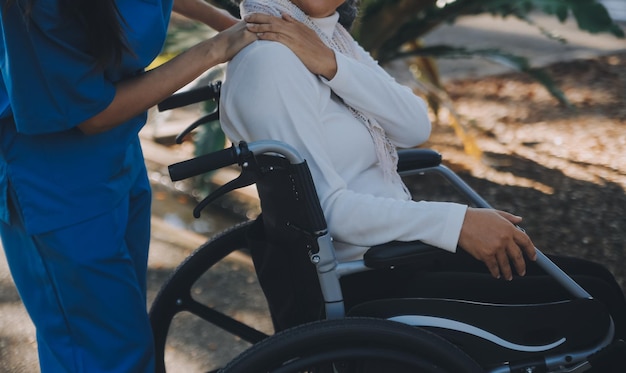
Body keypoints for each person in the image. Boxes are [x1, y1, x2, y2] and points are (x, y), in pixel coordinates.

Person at [221, 0, 626, 338]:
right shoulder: (271, 61)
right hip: (363, 273)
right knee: (594, 302)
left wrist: (332, 63)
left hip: (396, 252)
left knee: (597, 281)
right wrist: (457, 222)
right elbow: (326, 213)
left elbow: (414, 125)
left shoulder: (325, 37)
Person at [0, 1, 256, 371]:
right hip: (53, 179)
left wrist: (224, 21)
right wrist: (216, 48)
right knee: (105, 352)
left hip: (118, 154)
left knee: (124, 329)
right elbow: (93, 114)